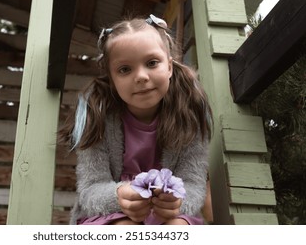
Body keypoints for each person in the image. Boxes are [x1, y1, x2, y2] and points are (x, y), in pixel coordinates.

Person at [58, 14, 213, 225]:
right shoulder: (97, 118)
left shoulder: (189, 116)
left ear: (169, 66)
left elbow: (194, 185)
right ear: (112, 79)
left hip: (171, 216)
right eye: (124, 69)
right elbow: (90, 188)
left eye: (152, 63)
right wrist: (119, 196)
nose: (140, 76)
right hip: (109, 215)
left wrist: (176, 203)